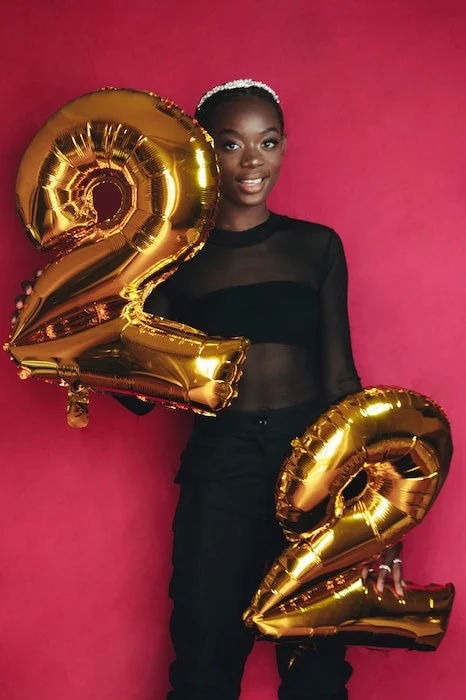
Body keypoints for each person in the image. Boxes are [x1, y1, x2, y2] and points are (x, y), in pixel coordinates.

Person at [12, 78, 404, 699]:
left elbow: (340, 381)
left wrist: (372, 514)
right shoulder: (174, 260)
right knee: (203, 656)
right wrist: (82, 348)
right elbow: (146, 395)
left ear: (282, 147)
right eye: (230, 144)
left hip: (315, 466)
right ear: (200, 153)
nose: (252, 161)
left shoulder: (316, 248)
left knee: (318, 663)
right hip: (221, 469)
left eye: (268, 142)